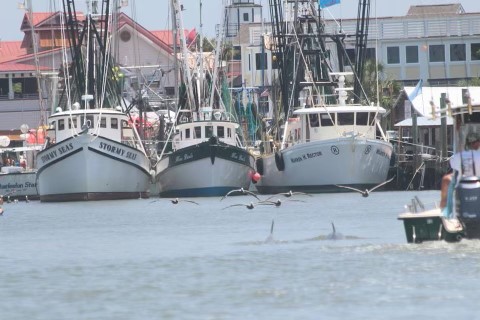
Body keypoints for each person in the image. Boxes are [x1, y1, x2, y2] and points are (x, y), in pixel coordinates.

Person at [440, 132, 480, 211]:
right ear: (477, 143)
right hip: (476, 189)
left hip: (462, 190)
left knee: (446, 179)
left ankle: (445, 209)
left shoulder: (458, 156)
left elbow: (452, 163)